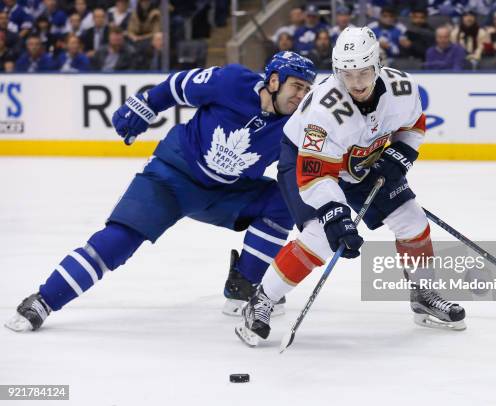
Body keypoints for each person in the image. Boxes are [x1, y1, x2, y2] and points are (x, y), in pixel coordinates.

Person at [5, 51, 316, 333]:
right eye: (296, 86)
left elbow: (310, 166)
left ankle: (243, 286)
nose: (301, 96)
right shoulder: (231, 81)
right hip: (171, 178)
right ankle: (44, 300)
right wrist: (148, 104)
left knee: (281, 202)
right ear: (274, 81)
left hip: (227, 194)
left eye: (306, 89)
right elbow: (179, 86)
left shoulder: (299, 123)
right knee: (118, 241)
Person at [235, 27, 466, 347]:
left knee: (412, 221)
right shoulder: (324, 109)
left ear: (378, 65)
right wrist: (335, 214)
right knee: (321, 236)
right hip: (304, 159)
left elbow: (413, 126)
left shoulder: (402, 88)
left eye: (363, 73)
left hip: (362, 157)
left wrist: (401, 155)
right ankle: (261, 301)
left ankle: (423, 295)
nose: (356, 83)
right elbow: (316, 175)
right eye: (346, 74)